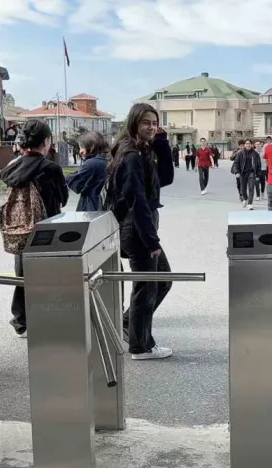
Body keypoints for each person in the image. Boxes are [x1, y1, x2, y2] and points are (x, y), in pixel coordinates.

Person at [105, 103, 176, 360]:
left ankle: (131, 325)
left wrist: (162, 143)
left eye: (155, 123)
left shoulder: (141, 150)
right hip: (135, 227)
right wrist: (151, 240)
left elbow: (164, 179)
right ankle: (141, 346)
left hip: (139, 225)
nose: (152, 127)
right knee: (147, 285)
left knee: (162, 279)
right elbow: (137, 200)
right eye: (146, 122)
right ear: (134, 122)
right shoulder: (131, 155)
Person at [0, 119, 69, 338]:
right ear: (46, 141)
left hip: (20, 229)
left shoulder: (12, 167)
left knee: (23, 275)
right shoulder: (51, 168)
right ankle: (46, 317)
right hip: (47, 229)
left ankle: (21, 321)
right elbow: (63, 198)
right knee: (48, 275)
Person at [66, 131, 109, 211]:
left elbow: (73, 180)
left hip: (92, 208)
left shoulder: (92, 164)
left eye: (81, 147)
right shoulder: (109, 160)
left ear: (90, 145)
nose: (80, 151)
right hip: (106, 208)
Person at [232, 139, 261, 209]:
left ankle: (250, 203)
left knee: (251, 188)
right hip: (242, 173)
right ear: (244, 145)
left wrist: (258, 175)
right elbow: (236, 163)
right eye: (246, 144)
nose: (248, 145)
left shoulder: (255, 154)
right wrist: (236, 172)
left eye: (249, 144)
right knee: (243, 189)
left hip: (251, 173)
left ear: (252, 145)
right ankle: (245, 199)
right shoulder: (240, 153)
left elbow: (258, 165)